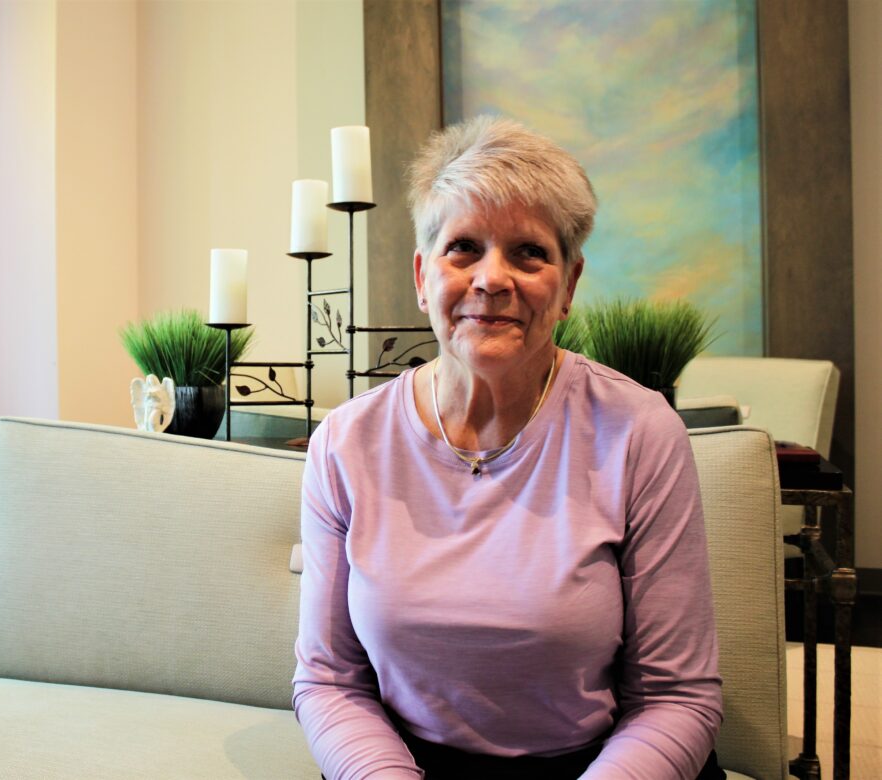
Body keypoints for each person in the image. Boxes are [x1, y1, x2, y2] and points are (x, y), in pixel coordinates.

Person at [292, 116, 724, 780]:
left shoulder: (639, 433)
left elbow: (676, 698)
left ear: (569, 285)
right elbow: (329, 682)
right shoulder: (346, 445)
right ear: (422, 276)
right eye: (463, 247)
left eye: (528, 252)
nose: (492, 278)